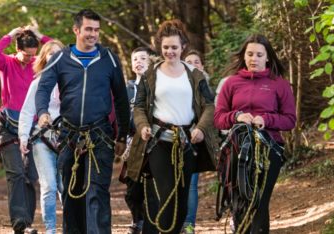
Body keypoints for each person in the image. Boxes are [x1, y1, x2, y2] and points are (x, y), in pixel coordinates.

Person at [34, 9, 130, 234]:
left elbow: (122, 99)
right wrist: (43, 113)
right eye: (88, 29)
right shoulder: (60, 58)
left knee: (97, 193)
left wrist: (122, 134)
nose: (93, 34)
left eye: (96, 30)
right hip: (69, 135)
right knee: (71, 193)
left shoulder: (109, 59)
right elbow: (43, 89)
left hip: (100, 134)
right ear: (76, 30)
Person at [127, 20, 217, 234]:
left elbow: (209, 106)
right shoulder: (152, 74)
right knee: (167, 193)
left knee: (182, 199)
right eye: (166, 47)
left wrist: (201, 129)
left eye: (174, 47)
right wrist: (142, 126)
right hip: (159, 141)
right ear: (160, 46)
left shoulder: (194, 75)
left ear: (183, 47)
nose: (170, 51)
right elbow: (139, 107)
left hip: (187, 142)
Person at [214, 34, 296, 233]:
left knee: (259, 201)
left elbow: (290, 120)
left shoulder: (280, 84)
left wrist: (266, 120)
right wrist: (237, 116)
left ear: (267, 57)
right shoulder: (231, 83)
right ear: (244, 56)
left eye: (259, 54)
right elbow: (218, 118)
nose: (254, 58)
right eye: (250, 54)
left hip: (269, 148)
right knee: (239, 201)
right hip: (237, 147)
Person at [0, 25, 51, 234]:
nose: (29, 59)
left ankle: (28, 222)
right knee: (15, 173)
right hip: (8, 126)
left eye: (33, 55)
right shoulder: (6, 62)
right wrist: (10, 34)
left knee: (30, 176)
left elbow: (60, 54)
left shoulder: (39, 65)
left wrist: (40, 36)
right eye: (26, 54)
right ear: (17, 48)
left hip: (33, 129)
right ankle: (20, 223)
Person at [18, 39, 65, 234]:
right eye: (50, 53)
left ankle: (70, 228)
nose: (54, 56)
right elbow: (27, 111)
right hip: (42, 139)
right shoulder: (38, 82)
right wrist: (22, 136)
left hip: (67, 140)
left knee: (66, 187)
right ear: (44, 57)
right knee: (49, 186)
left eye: (58, 53)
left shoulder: (72, 81)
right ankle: (51, 230)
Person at [122, 46, 156, 234]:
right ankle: (138, 219)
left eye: (143, 58)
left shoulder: (157, 86)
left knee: (152, 186)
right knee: (132, 189)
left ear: (150, 62)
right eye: (135, 59)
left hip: (154, 142)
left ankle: (152, 224)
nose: (139, 62)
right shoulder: (127, 89)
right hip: (132, 143)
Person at [181, 49, 209, 234]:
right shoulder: (174, 84)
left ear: (202, 65)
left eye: (196, 61)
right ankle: (174, 222)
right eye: (188, 61)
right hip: (172, 138)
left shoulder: (206, 86)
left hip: (196, 139)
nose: (192, 64)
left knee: (190, 183)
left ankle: (189, 225)